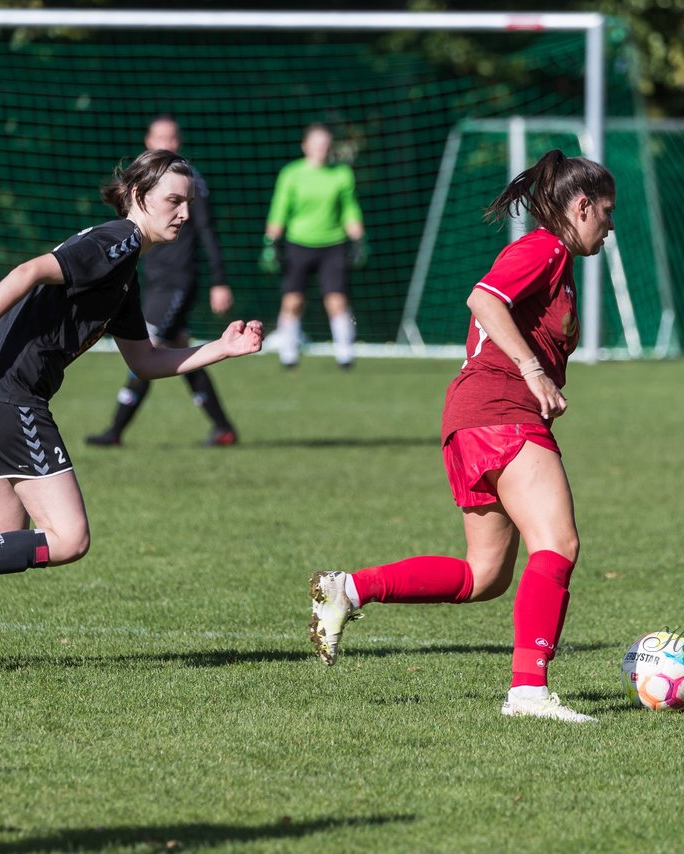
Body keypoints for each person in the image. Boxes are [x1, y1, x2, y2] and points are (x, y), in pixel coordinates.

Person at [0, 149, 264, 665]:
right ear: (139, 197)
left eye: (188, 203)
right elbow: (28, 271)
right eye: (173, 201)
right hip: (8, 391)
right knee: (69, 539)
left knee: (0, 543)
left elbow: (146, 361)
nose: (184, 213)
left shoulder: (125, 271)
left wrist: (222, 349)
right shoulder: (118, 242)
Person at [307, 150, 615, 723]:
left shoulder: (554, 260)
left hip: (475, 416)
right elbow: (483, 299)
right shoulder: (545, 248)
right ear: (581, 205)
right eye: (606, 211)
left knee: (485, 576)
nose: (611, 224)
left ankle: (348, 589)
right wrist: (532, 370)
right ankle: (528, 694)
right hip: (502, 409)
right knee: (558, 544)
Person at [86, 114, 238, 448]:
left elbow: (208, 232)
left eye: (173, 139)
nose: (168, 145)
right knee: (181, 353)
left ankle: (115, 431)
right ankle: (224, 428)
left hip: (177, 282)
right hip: (155, 280)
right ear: (148, 142)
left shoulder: (188, 181)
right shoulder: (150, 183)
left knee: (147, 351)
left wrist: (220, 281)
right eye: (161, 139)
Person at [260, 123, 365, 369]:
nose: (321, 149)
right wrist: (270, 242)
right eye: (316, 144)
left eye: (326, 144)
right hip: (299, 243)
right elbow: (279, 209)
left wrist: (359, 239)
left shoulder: (342, 174)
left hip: (333, 244)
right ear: (305, 146)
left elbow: (349, 210)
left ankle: (345, 354)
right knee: (293, 300)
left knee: (337, 300)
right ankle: (289, 353)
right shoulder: (291, 174)